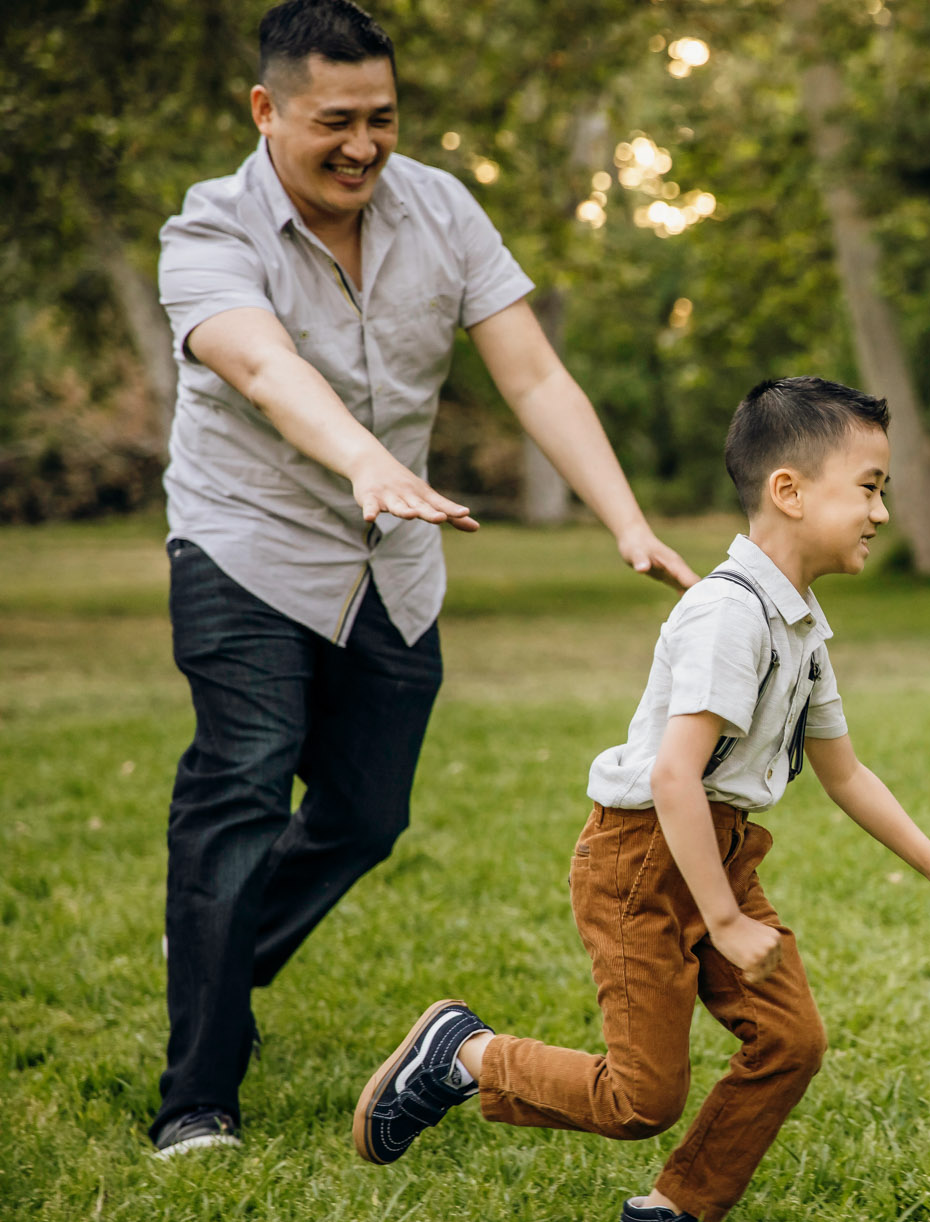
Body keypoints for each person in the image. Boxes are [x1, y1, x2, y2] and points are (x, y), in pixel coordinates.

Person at [150, 0, 697, 1157]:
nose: (363, 145)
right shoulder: (206, 232)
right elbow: (259, 364)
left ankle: (213, 951)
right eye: (334, 121)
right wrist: (365, 461)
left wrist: (626, 521)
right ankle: (197, 1097)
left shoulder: (441, 211)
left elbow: (533, 376)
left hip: (392, 561)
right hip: (244, 543)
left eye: (382, 119)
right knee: (240, 794)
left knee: (366, 813)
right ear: (266, 111)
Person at [351, 377, 930, 1222]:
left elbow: (844, 771)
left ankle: (673, 1212)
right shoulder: (726, 613)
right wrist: (727, 920)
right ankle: (461, 1055)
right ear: (789, 489)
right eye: (870, 486)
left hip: (719, 855)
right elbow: (673, 777)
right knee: (640, 1099)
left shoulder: (803, 628)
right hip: (641, 865)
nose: (881, 512)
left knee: (790, 1040)